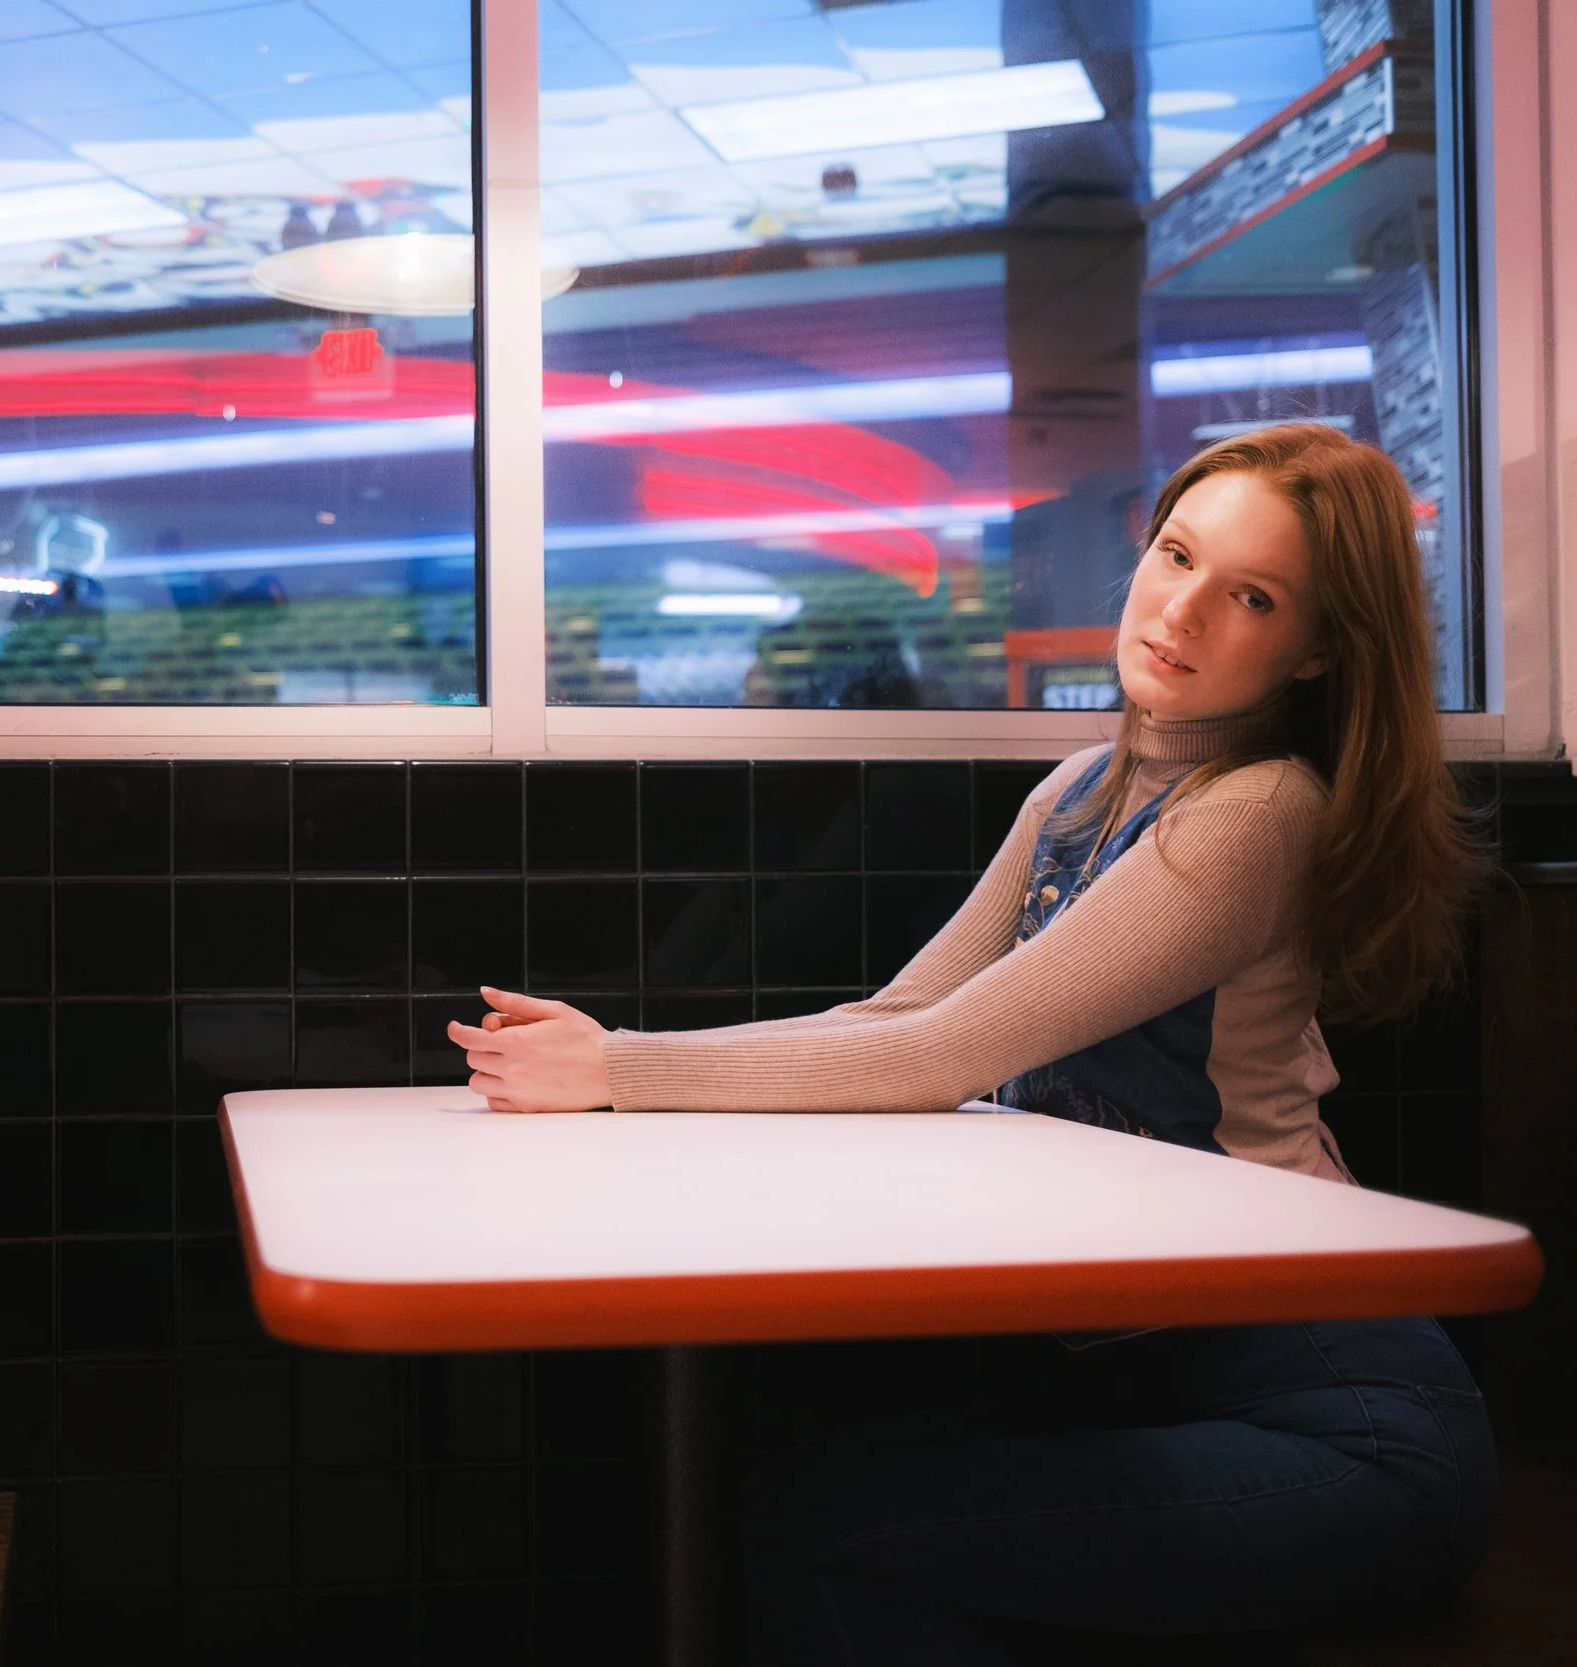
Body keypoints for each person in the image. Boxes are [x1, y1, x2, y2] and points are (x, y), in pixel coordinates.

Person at [450, 423, 1494, 1663]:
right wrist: (618, 1060)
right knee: (798, 1491)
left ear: (1316, 648)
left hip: (1337, 1415)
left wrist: (618, 1068)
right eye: (1175, 555)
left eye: (1252, 596)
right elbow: (892, 1020)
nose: (1182, 610)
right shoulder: (1076, 793)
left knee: (825, 1524)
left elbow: (941, 1054)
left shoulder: (1260, 810)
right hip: (1158, 1381)